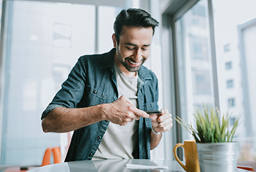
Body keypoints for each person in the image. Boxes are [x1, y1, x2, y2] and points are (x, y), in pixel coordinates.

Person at [41, 8, 173, 161]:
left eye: (145, 48)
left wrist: (157, 130)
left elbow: (148, 146)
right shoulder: (87, 66)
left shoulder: (151, 80)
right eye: (130, 47)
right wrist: (104, 111)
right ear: (115, 40)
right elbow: (49, 122)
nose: (137, 57)